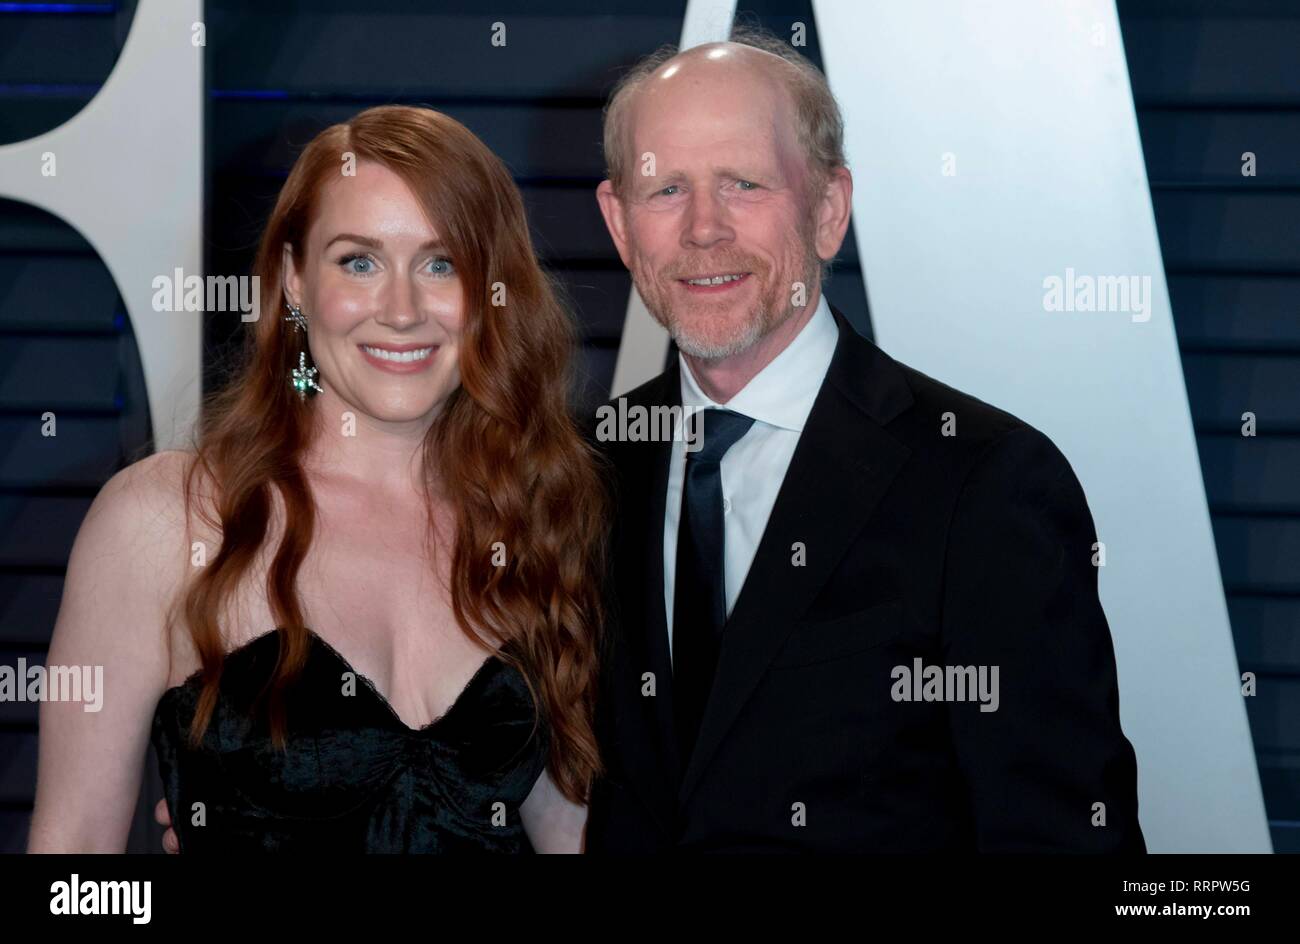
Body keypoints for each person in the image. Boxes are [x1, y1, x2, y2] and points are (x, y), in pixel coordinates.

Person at [583, 33, 1146, 852]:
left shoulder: (984, 483)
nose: (704, 229)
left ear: (829, 209)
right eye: (666, 189)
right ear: (621, 225)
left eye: (744, 183)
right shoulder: (579, 470)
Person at [28, 105, 603, 853]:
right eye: (358, 262)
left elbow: (579, 837)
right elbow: (71, 863)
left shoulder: (534, 519)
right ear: (294, 280)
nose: (401, 310)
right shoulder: (167, 519)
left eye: (441, 264)